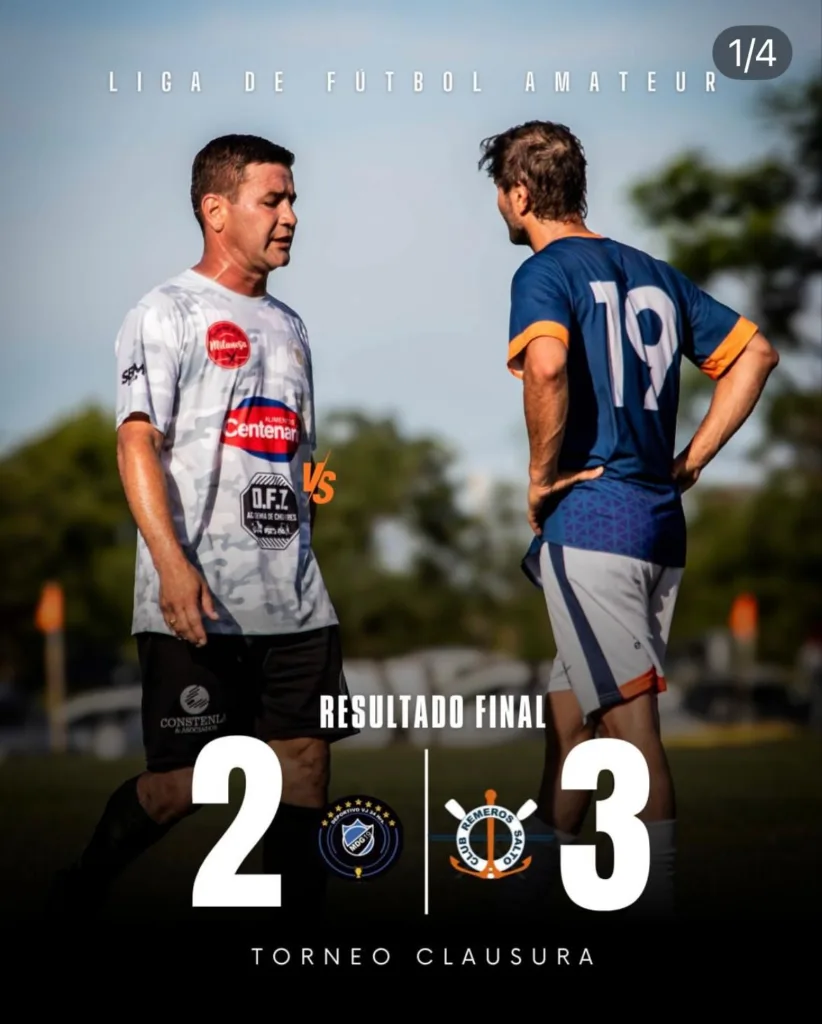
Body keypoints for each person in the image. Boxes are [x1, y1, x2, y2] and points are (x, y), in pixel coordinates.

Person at [46, 134, 356, 920]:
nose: (291, 216)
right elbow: (136, 443)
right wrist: (171, 564)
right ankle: (80, 885)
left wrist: (306, 526)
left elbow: (296, 454)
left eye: (293, 200)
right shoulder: (165, 312)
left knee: (305, 768)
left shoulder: (291, 325)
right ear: (217, 211)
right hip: (199, 598)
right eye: (272, 200)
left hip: (296, 599)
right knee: (191, 784)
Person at [478, 121, 779, 917]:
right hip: (656, 527)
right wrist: (690, 462)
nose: (501, 208)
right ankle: (540, 887)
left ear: (519, 194)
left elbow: (545, 366)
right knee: (571, 721)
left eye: (500, 195)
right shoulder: (653, 271)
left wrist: (539, 479)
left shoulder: (545, 270)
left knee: (630, 732)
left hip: (593, 527)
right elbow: (755, 354)